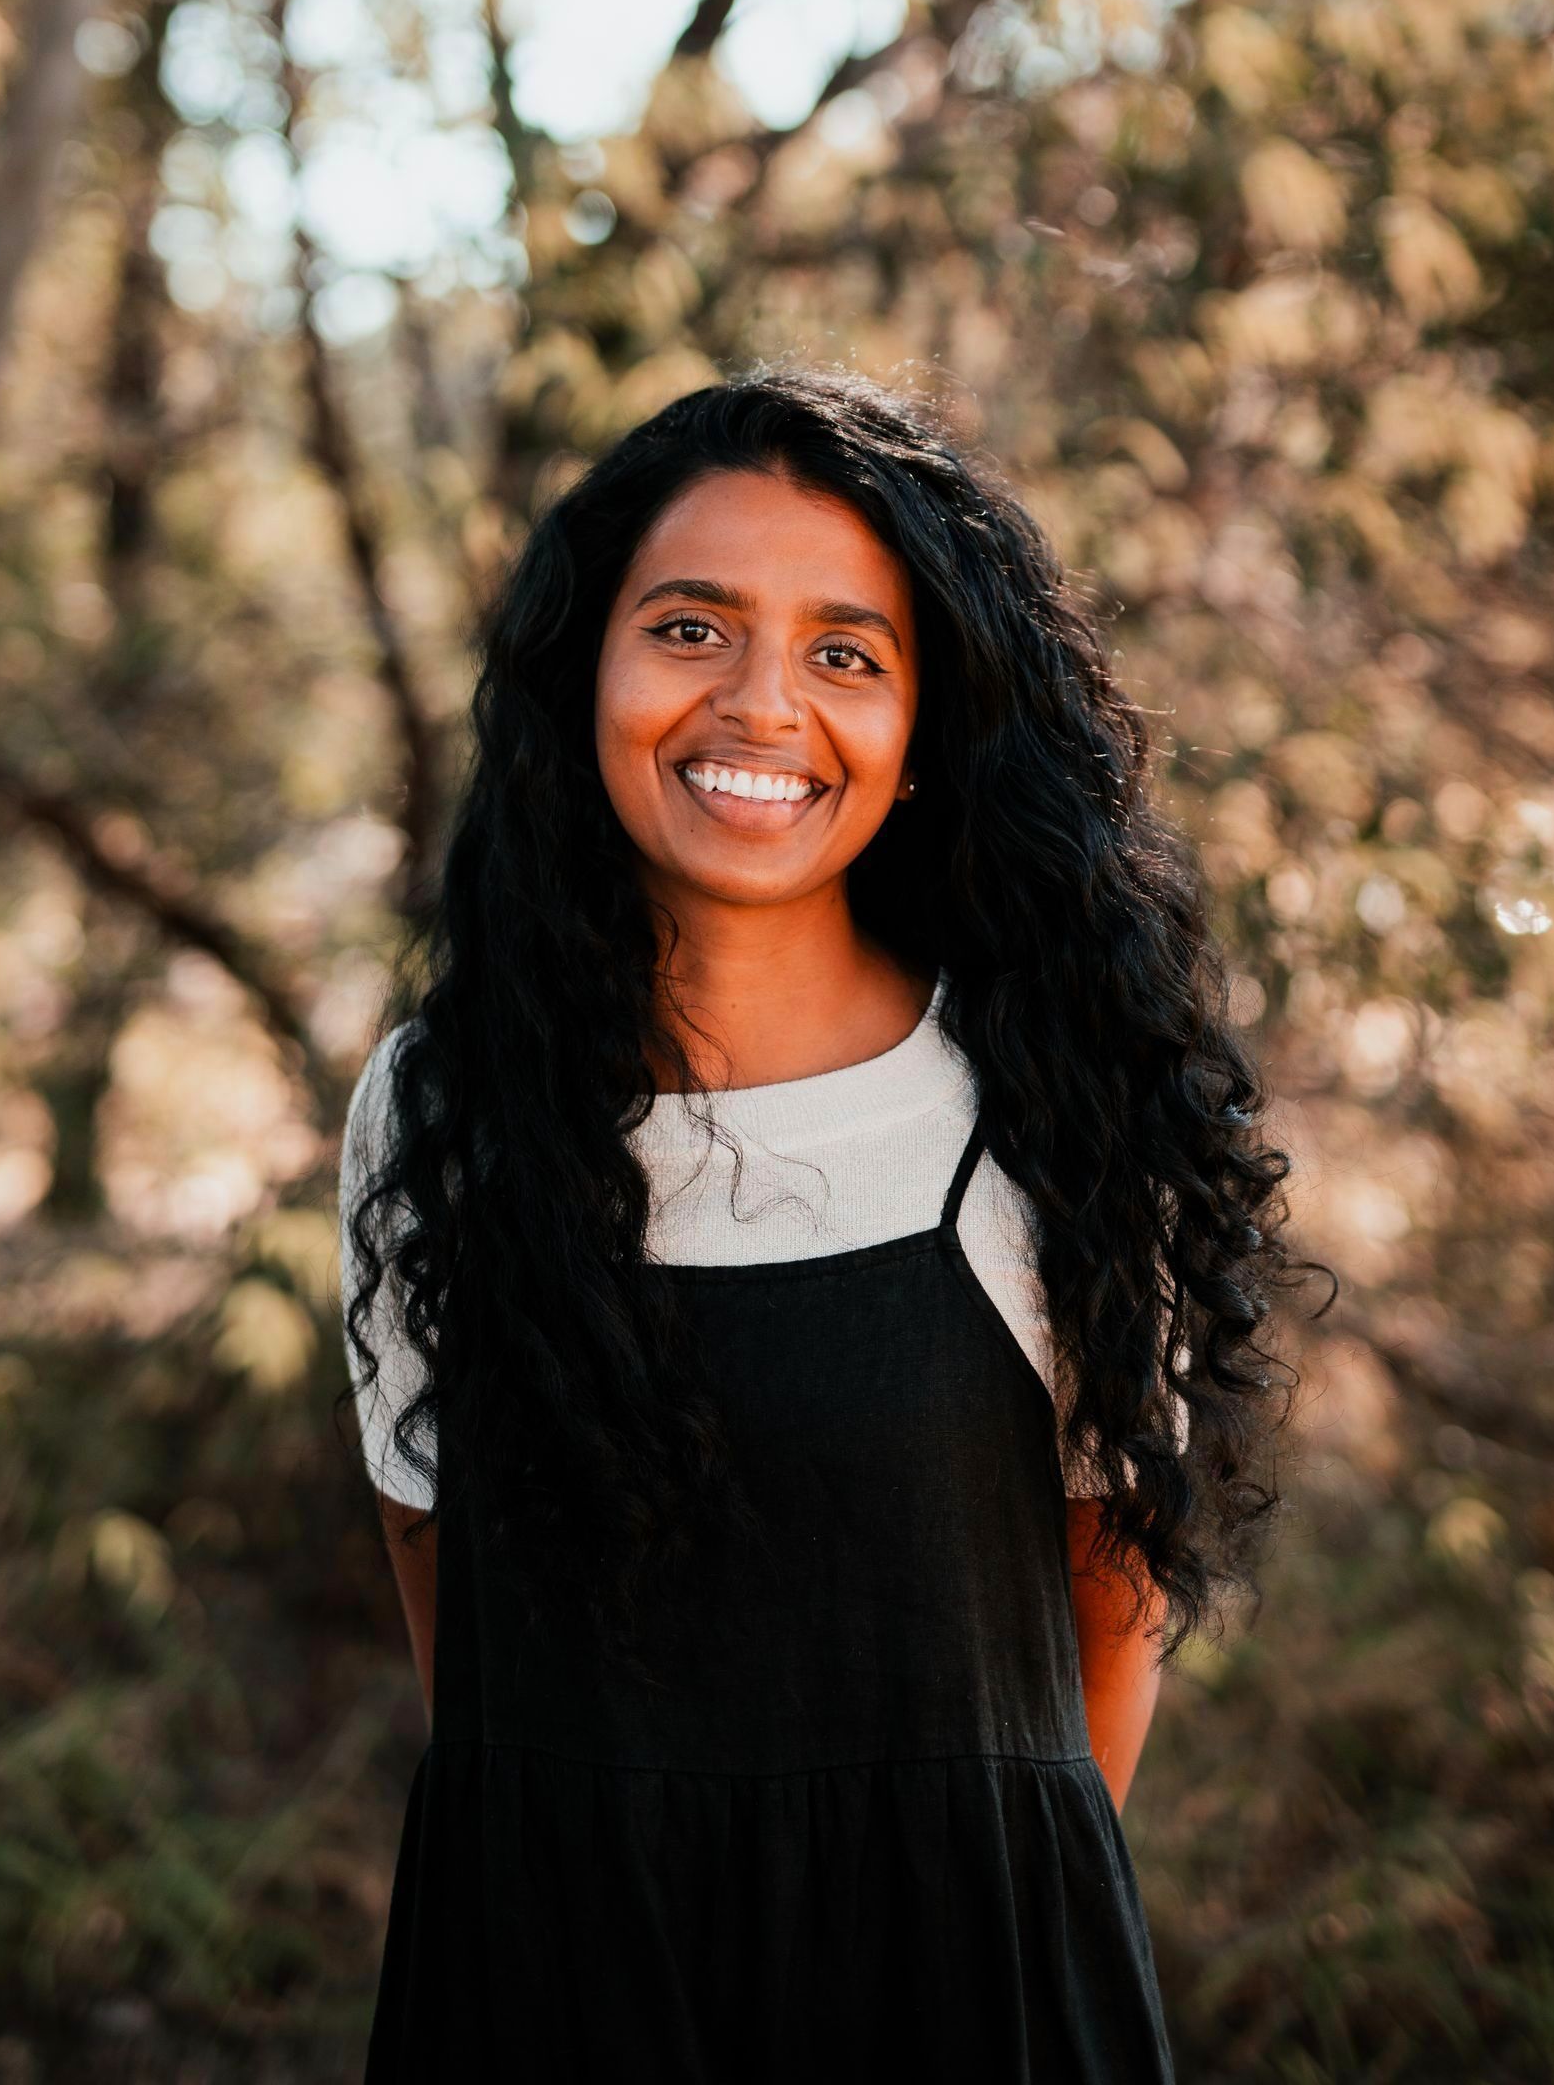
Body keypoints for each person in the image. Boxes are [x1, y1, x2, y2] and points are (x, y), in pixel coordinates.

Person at [341, 367, 1304, 2083]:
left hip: (960, 1998)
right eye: (691, 627)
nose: (762, 704)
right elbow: (455, 1621)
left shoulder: (1053, 1114)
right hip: (543, 1988)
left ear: (929, 729)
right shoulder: (441, 1110)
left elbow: (1092, 1664)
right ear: (588, 676)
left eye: (847, 652)